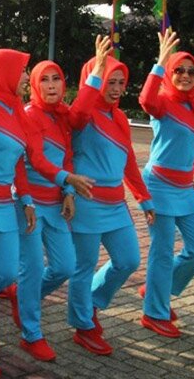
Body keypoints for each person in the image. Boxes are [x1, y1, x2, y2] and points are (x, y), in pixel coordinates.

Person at [67, 35, 155, 356]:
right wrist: (97, 69)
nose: (116, 87)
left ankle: (91, 302)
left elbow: (129, 161)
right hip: (86, 203)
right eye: (109, 80)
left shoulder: (119, 117)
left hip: (116, 205)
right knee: (83, 266)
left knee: (129, 259)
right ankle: (83, 326)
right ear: (95, 79)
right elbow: (76, 114)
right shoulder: (84, 115)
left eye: (120, 81)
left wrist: (144, 198)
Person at [137, 29, 194, 338]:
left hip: (186, 190)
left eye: (191, 71)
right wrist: (159, 62)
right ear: (170, 74)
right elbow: (145, 98)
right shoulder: (163, 102)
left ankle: (156, 288)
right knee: (161, 250)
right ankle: (154, 313)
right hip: (157, 186)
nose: (185, 75)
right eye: (179, 70)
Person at [13, 60, 93, 361]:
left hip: (56, 204)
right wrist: (28, 199)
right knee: (31, 268)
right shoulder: (29, 115)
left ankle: (23, 299)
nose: (50, 85)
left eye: (56, 79)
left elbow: (67, 158)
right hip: (29, 205)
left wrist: (69, 192)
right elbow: (31, 161)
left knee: (65, 267)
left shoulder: (63, 117)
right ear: (34, 85)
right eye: (43, 80)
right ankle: (31, 333)